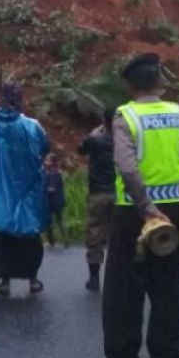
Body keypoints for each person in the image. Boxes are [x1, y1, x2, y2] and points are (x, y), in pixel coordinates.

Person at [92, 53, 179, 358]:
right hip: (174, 209)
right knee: (167, 289)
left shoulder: (126, 116)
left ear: (130, 84)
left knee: (123, 292)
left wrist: (146, 207)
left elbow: (126, 166)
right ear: (159, 83)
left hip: (134, 213)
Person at [0, 82, 50, 296]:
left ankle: (5, 281)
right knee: (29, 235)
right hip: (28, 191)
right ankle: (33, 280)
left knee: (4, 235)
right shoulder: (32, 125)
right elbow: (45, 148)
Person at [78, 110, 116, 292]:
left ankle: (94, 278)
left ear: (104, 121)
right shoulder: (126, 140)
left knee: (95, 234)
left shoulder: (95, 140)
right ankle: (118, 277)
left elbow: (81, 149)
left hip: (98, 192)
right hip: (120, 194)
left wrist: (95, 132)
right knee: (119, 236)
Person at [43, 153, 68, 248]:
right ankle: (65, 241)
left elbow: (52, 188)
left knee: (49, 222)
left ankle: (51, 241)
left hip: (52, 201)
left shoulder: (52, 174)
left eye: (47, 160)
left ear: (52, 163)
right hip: (59, 201)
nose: (45, 162)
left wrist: (43, 190)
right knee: (60, 221)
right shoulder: (57, 173)